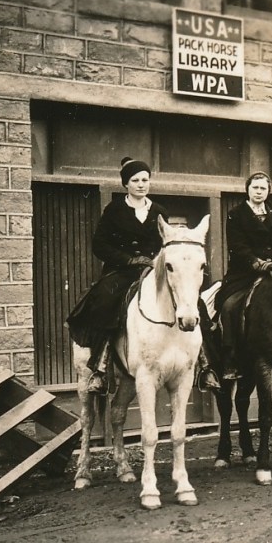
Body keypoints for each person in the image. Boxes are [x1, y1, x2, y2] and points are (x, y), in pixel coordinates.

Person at [67, 157, 217, 393]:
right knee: (105, 301)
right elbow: (99, 244)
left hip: (153, 271)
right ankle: (101, 366)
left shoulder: (159, 211)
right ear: (126, 184)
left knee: (194, 303)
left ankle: (205, 366)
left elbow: (167, 243)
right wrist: (128, 259)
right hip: (122, 270)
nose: (141, 184)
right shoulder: (114, 209)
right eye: (135, 180)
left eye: (145, 180)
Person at [215, 172, 272, 381]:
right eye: (255, 188)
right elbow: (238, 247)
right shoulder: (236, 214)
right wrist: (257, 263)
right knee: (229, 306)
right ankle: (230, 357)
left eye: (263, 188)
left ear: (268, 191)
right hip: (244, 273)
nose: (259, 192)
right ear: (247, 189)